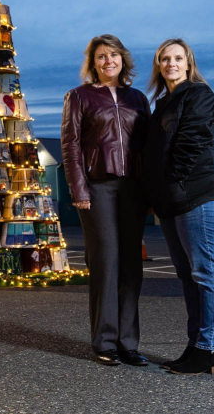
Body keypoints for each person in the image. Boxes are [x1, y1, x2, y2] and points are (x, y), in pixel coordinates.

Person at [61, 34, 151, 366]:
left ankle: (129, 343)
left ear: (123, 60)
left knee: (131, 265)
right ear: (93, 63)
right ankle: (105, 341)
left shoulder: (138, 99)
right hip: (97, 188)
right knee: (106, 261)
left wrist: (152, 191)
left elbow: (148, 146)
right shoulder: (79, 96)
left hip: (134, 189)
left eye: (113, 55)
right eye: (101, 56)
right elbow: (70, 147)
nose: (108, 61)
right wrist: (79, 190)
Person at [142, 38, 214, 375]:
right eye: (165, 59)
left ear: (188, 63)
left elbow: (192, 144)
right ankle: (198, 347)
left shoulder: (199, 94)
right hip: (171, 202)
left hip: (197, 197)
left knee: (205, 273)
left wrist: (171, 183)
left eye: (177, 58)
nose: (171, 64)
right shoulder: (163, 103)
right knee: (188, 277)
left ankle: (208, 348)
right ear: (159, 65)